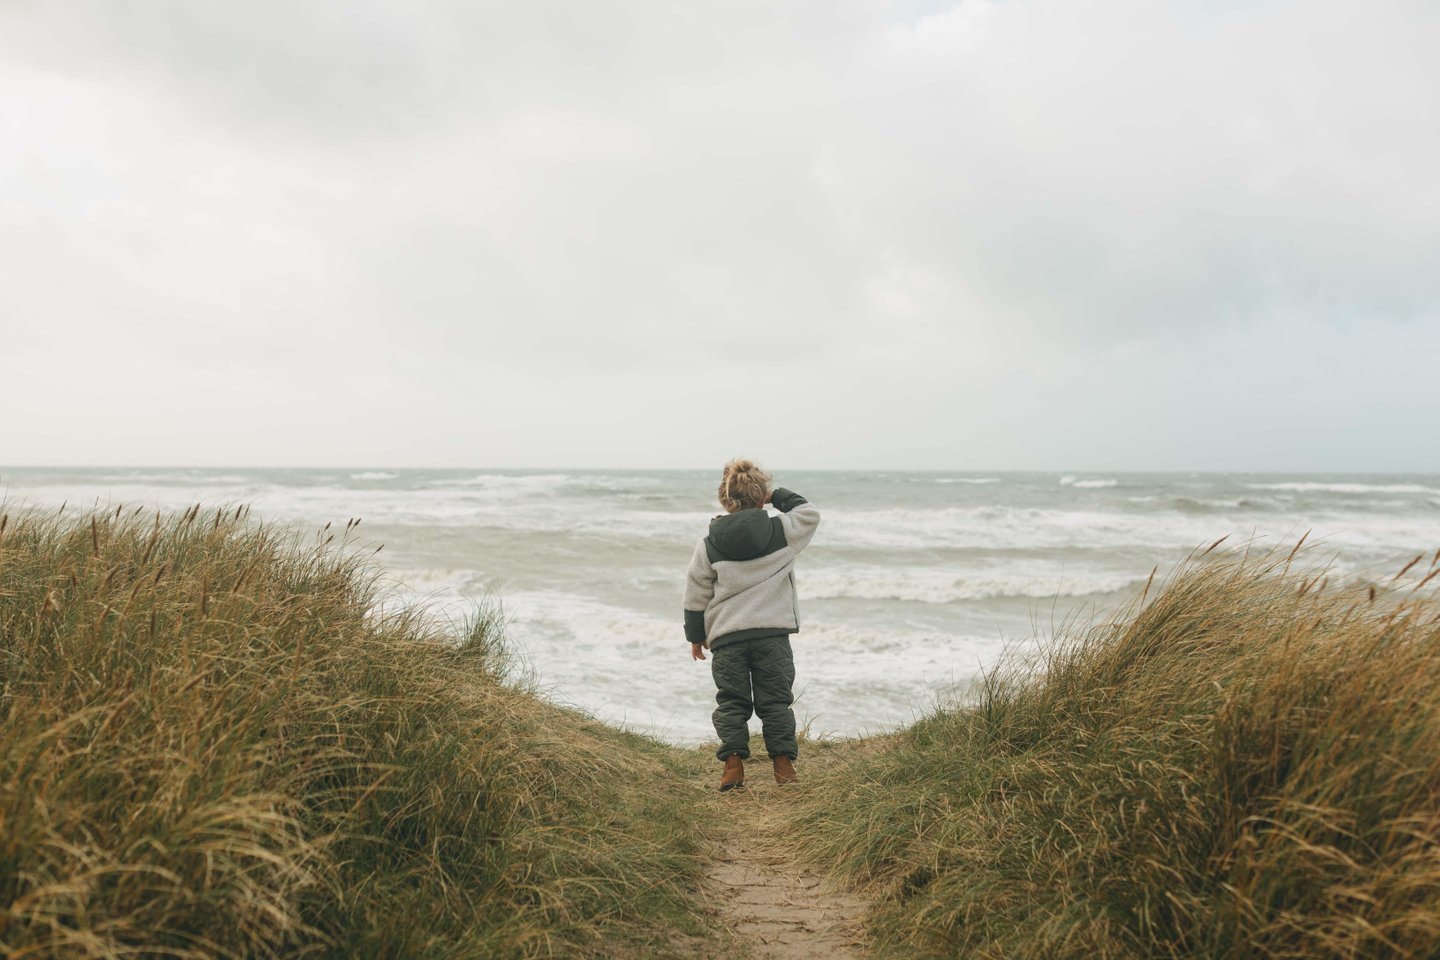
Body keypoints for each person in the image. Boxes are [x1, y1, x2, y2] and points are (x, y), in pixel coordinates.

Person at [683, 459, 821, 791]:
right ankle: (783, 766)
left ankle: (732, 766)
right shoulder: (781, 531)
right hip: (771, 634)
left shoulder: (709, 542)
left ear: (725, 500)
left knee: (731, 701)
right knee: (775, 700)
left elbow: (696, 590)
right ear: (761, 498)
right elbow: (809, 513)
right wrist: (775, 496)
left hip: (728, 637)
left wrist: (695, 636)